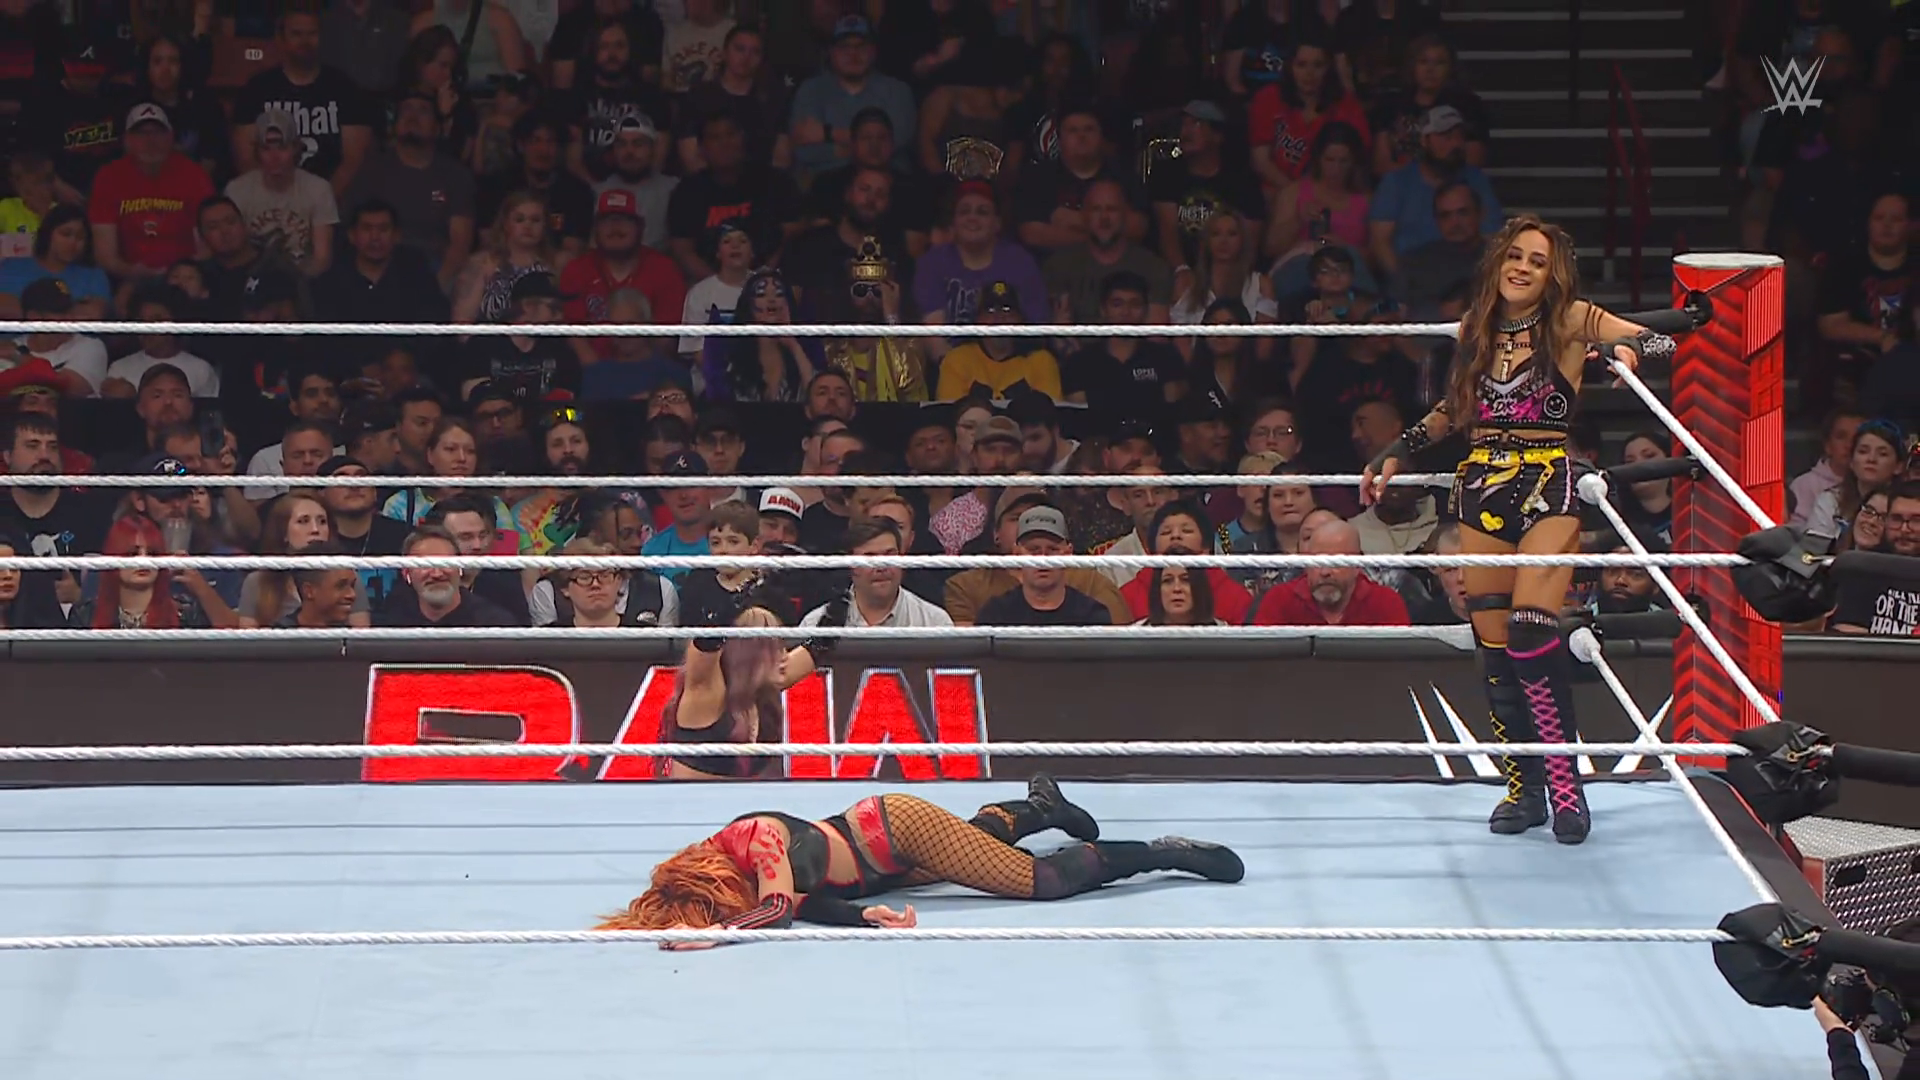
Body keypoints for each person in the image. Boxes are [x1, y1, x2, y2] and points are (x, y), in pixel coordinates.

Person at [1361, 213, 1674, 846]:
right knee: (1496, 645)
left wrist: (1627, 350)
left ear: (1553, 275)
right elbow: (1455, 408)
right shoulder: (1476, 328)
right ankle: (1523, 788)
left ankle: (1566, 788)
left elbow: (1657, 341)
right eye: (1515, 255)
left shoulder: (1570, 318)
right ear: (1498, 261)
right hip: (1482, 485)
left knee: (1533, 631)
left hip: (1546, 482)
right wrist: (1399, 448)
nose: (1523, 268)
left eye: (1538, 260)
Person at [599, 775, 1242, 938]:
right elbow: (804, 903)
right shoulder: (746, 872)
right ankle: (1041, 806)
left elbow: (779, 909)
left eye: (710, 909)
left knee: (1041, 880)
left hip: (895, 829)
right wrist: (865, 918)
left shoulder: (756, 839)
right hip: (881, 870)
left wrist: (717, 936)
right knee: (976, 844)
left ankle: (1165, 853)